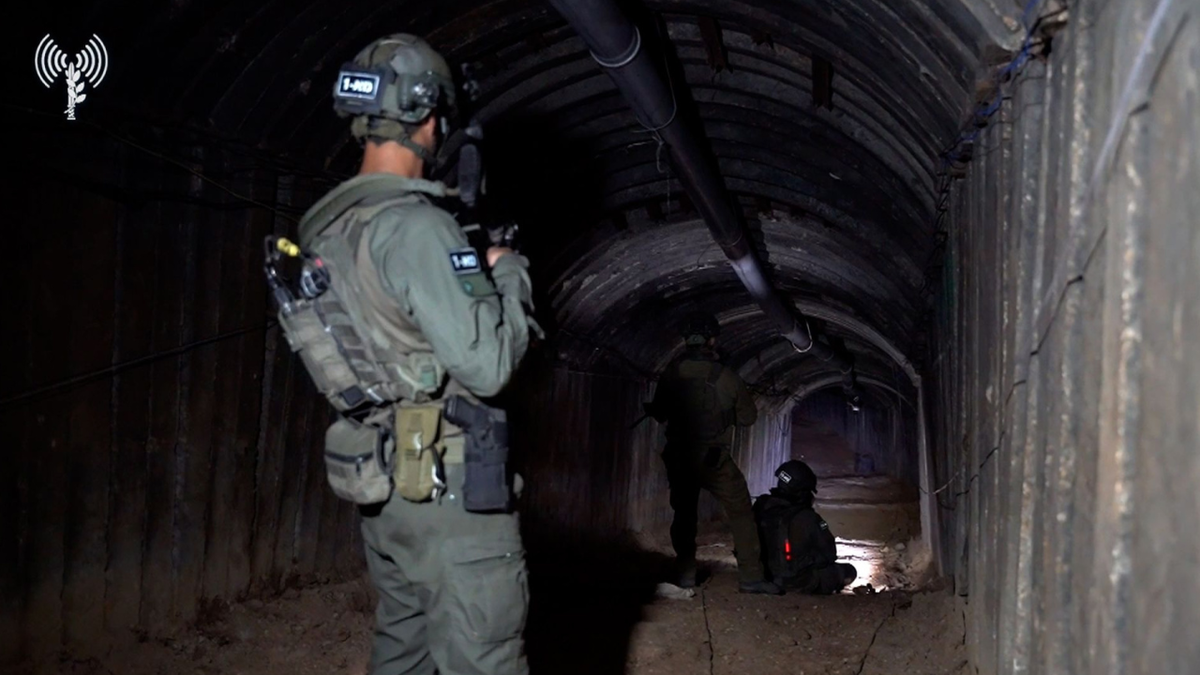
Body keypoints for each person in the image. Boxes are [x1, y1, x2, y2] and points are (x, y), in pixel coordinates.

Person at [290, 34, 542, 675]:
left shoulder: (326, 229)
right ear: (430, 119)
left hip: (387, 485)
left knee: (404, 651)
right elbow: (486, 365)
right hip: (449, 487)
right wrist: (509, 274)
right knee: (485, 656)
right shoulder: (417, 226)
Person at [644, 313, 782, 595]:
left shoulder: (672, 372)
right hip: (714, 459)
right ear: (712, 340)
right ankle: (752, 577)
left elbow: (660, 413)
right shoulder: (726, 377)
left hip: (680, 457)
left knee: (683, 515)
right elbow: (748, 418)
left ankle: (685, 574)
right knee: (741, 512)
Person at [752, 460, 858, 594]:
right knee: (849, 571)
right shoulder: (806, 517)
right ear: (801, 491)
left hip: (761, 576)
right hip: (796, 582)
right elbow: (830, 554)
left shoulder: (761, 505)